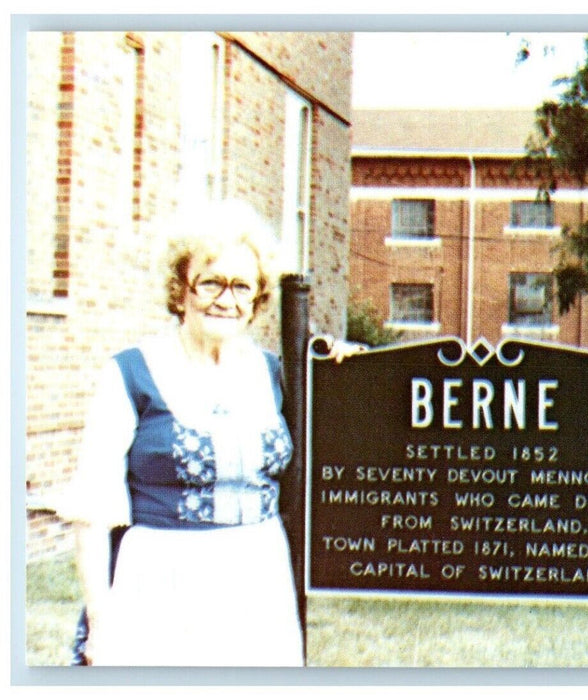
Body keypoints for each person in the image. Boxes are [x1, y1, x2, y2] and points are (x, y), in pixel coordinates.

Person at [58, 199, 362, 666]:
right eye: (211, 282)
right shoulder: (130, 373)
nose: (227, 298)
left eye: (243, 286)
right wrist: (101, 619)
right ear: (180, 291)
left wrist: (338, 369)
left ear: (258, 301)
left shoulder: (278, 375)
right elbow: (93, 511)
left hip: (258, 576)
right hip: (160, 580)